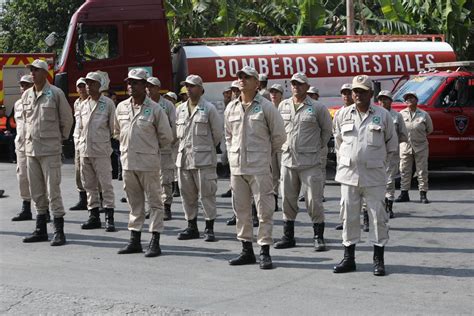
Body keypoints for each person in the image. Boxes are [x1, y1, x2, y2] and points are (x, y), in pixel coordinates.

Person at [332, 75, 397, 276]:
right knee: (349, 216)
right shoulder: (342, 114)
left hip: (374, 176)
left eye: (362, 91)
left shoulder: (383, 115)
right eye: (355, 91)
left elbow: (392, 146)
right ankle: (348, 258)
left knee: (377, 217)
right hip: (348, 175)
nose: (357, 94)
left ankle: (378, 260)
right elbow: (338, 142)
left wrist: (382, 170)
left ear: (371, 93)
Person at [225, 66, 286, 270]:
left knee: (264, 210)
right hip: (238, 167)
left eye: (247, 77)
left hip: (259, 167)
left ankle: (265, 251)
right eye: (240, 77)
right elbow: (228, 136)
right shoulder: (231, 108)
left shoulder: (266, 106)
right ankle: (246, 250)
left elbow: (279, 136)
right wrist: (233, 154)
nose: (242, 80)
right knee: (241, 210)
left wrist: (265, 155)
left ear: (256, 83)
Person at [114, 68, 173, 257]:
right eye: (129, 82)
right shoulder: (121, 107)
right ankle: (135, 240)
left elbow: (166, 136)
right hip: (128, 162)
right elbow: (116, 132)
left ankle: (155, 240)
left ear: (145, 86)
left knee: (155, 203)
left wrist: (150, 149)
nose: (131, 86)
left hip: (148, 163)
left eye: (135, 82)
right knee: (134, 203)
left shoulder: (155, 109)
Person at [274, 73, 332, 252]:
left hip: (310, 162)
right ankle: (288, 236)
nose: (296, 87)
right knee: (287, 200)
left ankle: (318, 236)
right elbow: (278, 130)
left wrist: (314, 148)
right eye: (293, 84)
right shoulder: (283, 106)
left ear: (307, 87)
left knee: (314, 201)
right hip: (288, 160)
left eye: (299, 84)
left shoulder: (317, 107)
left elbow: (326, 132)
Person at [21, 59, 73, 246]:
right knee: (37, 192)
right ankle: (40, 229)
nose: (33, 73)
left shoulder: (55, 93)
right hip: (31, 150)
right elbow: (26, 122)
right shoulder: (26, 95)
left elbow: (66, 119)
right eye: (31, 70)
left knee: (53, 191)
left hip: (50, 150)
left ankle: (59, 231)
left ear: (45, 73)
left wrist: (59, 139)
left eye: (36, 71)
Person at [175, 75, 223, 242]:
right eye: (187, 86)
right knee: (187, 195)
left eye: (192, 86)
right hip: (184, 159)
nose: (189, 89)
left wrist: (205, 148)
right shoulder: (179, 109)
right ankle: (191, 226)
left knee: (207, 195)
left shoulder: (209, 108)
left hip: (203, 160)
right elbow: (177, 134)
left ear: (201, 89)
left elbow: (217, 134)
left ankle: (209, 228)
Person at [77, 72, 116, 232]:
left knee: (106, 185)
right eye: (86, 83)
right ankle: (93, 216)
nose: (88, 85)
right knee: (89, 186)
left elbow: (114, 128)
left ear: (99, 85)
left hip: (101, 151)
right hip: (84, 151)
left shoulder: (107, 104)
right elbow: (79, 129)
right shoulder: (82, 105)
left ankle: (109, 217)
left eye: (91, 83)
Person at [147, 76, 177, 220]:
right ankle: (152, 206)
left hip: (164, 147)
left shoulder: (167, 105)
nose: (148, 89)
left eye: (151, 86)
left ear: (158, 88)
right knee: (149, 179)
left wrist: (170, 142)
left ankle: (166, 207)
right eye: (147, 86)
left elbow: (174, 126)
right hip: (147, 148)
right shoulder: (144, 104)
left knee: (165, 178)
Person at [395, 91, 433, 204]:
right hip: (405, 146)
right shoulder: (401, 114)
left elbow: (430, 129)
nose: (409, 100)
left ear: (417, 100)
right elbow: (398, 130)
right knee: (404, 171)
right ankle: (404, 193)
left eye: (412, 98)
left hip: (420, 146)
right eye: (407, 99)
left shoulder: (424, 114)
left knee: (422, 171)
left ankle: (423, 194)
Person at [377, 90, 408, 217]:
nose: (383, 102)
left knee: (389, 180)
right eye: (381, 99)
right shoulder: (374, 114)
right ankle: (378, 205)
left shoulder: (397, 116)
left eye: (386, 99)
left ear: (391, 101)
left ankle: (389, 205)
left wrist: (393, 145)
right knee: (376, 180)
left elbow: (403, 134)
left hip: (391, 153)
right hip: (376, 152)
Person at [11, 75, 37, 221]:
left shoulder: (38, 102)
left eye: (26, 85)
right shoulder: (18, 104)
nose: (24, 88)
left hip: (35, 145)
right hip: (21, 145)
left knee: (38, 178)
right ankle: (26, 207)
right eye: (22, 85)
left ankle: (43, 209)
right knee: (22, 177)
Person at [334, 83, 353, 231]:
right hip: (344, 160)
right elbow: (337, 137)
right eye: (344, 93)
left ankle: (366, 218)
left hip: (362, 161)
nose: (346, 96)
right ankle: (344, 220)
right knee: (345, 194)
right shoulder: (339, 114)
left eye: (349, 93)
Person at [70, 77, 89, 211]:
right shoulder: (76, 103)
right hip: (78, 140)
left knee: (93, 172)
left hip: (91, 141)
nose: (82, 89)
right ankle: (82, 198)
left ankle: (99, 199)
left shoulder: (93, 102)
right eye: (79, 87)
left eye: (83, 86)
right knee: (78, 171)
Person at [269, 83, 284, 212]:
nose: (273, 94)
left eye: (276, 92)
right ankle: (274, 199)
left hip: (283, 146)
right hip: (271, 146)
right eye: (272, 92)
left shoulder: (285, 108)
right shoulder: (267, 108)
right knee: (273, 175)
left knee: (284, 174)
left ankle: (286, 200)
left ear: (281, 95)